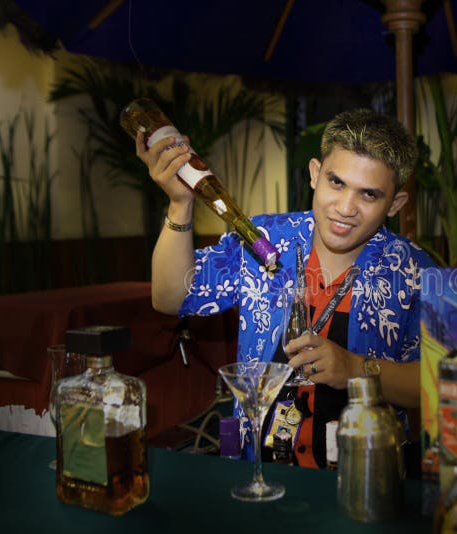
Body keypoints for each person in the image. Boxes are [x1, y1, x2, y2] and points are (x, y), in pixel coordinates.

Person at [136, 108, 436, 468]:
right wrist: (180, 204)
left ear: (395, 204)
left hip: (366, 480)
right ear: (314, 174)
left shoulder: (412, 270)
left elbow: (433, 384)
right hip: (259, 474)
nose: (345, 207)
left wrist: (355, 367)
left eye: (368, 195)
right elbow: (170, 298)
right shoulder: (261, 240)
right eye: (336, 183)